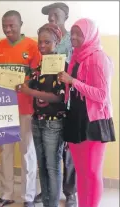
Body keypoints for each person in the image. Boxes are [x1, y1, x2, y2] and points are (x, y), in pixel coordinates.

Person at [58, 18, 115, 207]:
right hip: (76, 117)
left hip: (94, 120)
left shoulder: (99, 57)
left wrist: (73, 82)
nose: (73, 37)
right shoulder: (76, 56)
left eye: (78, 34)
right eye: (72, 33)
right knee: (81, 172)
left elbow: (101, 95)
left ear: (89, 35)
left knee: (92, 172)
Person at [0, 10, 41, 207]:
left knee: (27, 151)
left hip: (27, 107)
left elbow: (38, 76)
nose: (8, 29)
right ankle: (6, 193)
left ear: (21, 24)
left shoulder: (32, 46)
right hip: (3, 107)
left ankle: (28, 196)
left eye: (12, 25)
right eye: (5, 25)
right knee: (6, 151)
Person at [18, 23, 67, 207]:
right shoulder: (40, 64)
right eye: (40, 42)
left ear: (57, 42)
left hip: (53, 124)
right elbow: (35, 83)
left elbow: (58, 98)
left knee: (53, 168)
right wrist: (23, 84)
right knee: (43, 167)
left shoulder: (61, 64)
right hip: (37, 120)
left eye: (47, 42)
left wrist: (30, 92)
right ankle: (47, 202)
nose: (43, 46)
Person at [35, 3, 77, 206]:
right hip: (44, 110)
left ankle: (69, 192)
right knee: (48, 159)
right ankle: (49, 192)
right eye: (49, 16)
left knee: (65, 155)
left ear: (65, 16)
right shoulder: (45, 39)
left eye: (55, 16)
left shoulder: (74, 39)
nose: (51, 19)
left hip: (67, 102)